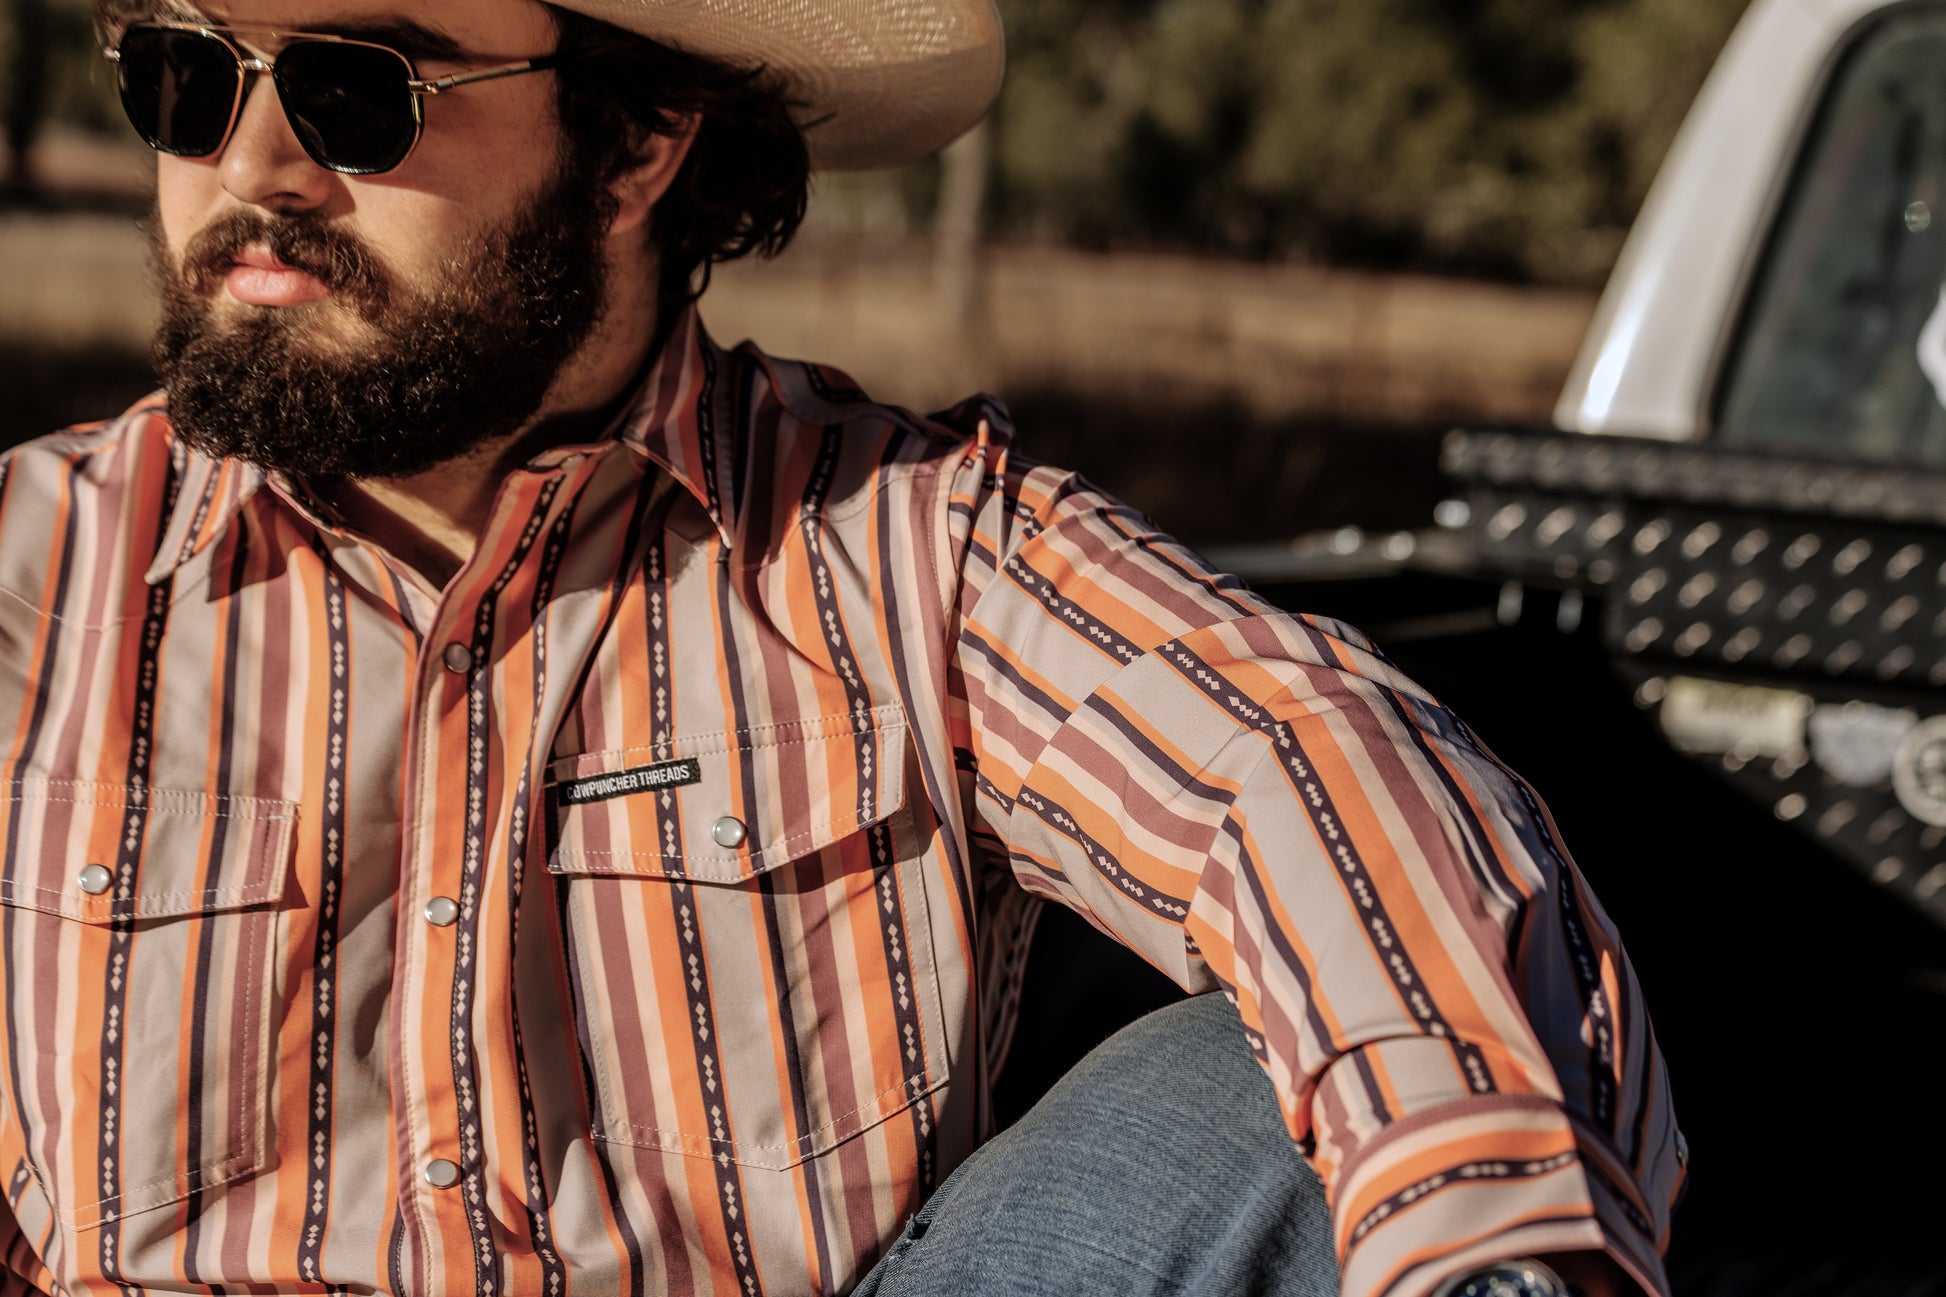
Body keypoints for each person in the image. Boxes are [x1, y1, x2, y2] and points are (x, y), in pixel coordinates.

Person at [0, 1, 1684, 1294]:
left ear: (638, 142)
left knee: (1270, 1093)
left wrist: (1489, 1246)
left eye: (359, 90)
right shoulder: (31, 574)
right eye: (187, 77)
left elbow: (1301, 755)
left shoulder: (910, 546)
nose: (250, 167)